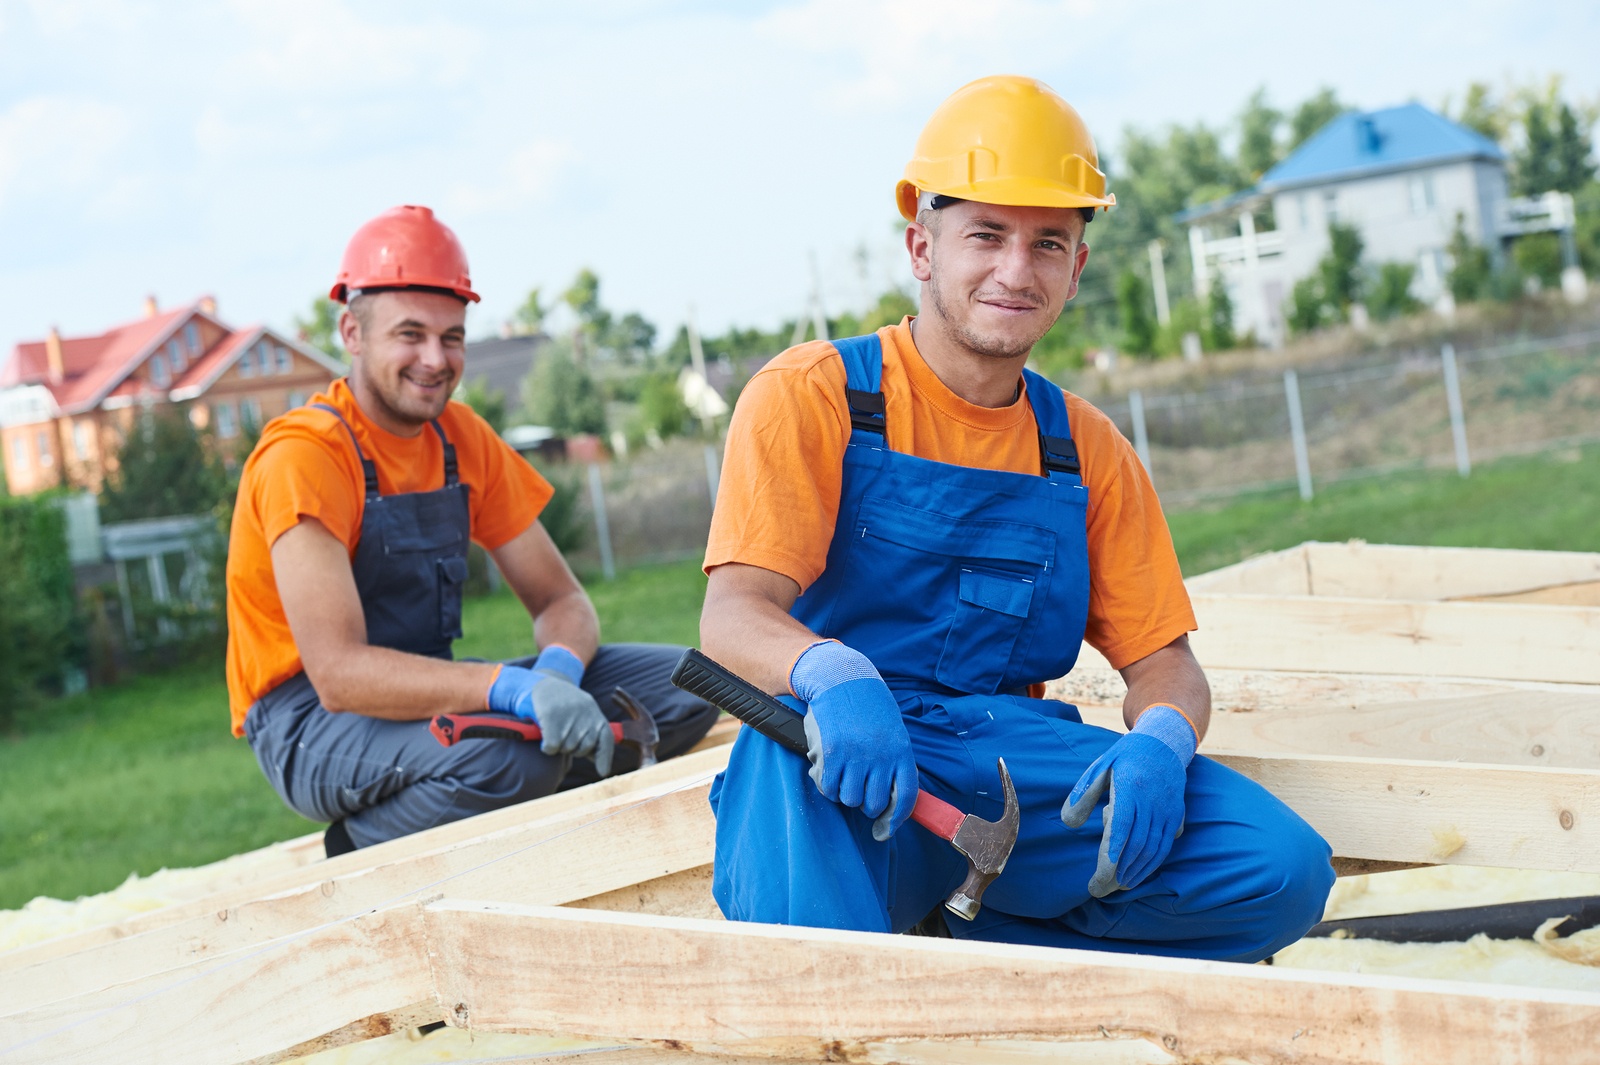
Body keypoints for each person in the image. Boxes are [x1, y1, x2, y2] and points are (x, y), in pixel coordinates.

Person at [699, 77, 1333, 962]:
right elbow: (733, 615)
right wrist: (834, 673)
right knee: (802, 849)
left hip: (1000, 764)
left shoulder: (1086, 448)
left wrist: (1160, 739)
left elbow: (1167, 664)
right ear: (922, 246)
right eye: (986, 235)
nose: (1015, 269)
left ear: (1076, 270)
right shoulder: (815, 395)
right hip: (830, 751)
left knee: (1280, 866)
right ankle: (850, 979)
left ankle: (981, 932)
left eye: (1048, 244)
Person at [226, 205, 718, 856]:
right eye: (410, 334)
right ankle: (359, 845)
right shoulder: (306, 456)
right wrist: (509, 690)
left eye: (452, 336)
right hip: (311, 721)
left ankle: (500, 786)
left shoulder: (462, 441)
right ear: (352, 331)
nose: (435, 359)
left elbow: (561, 600)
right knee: (512, 760)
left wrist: (559, 675)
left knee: (689, 687)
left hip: (426, 697)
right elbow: (339, 673)